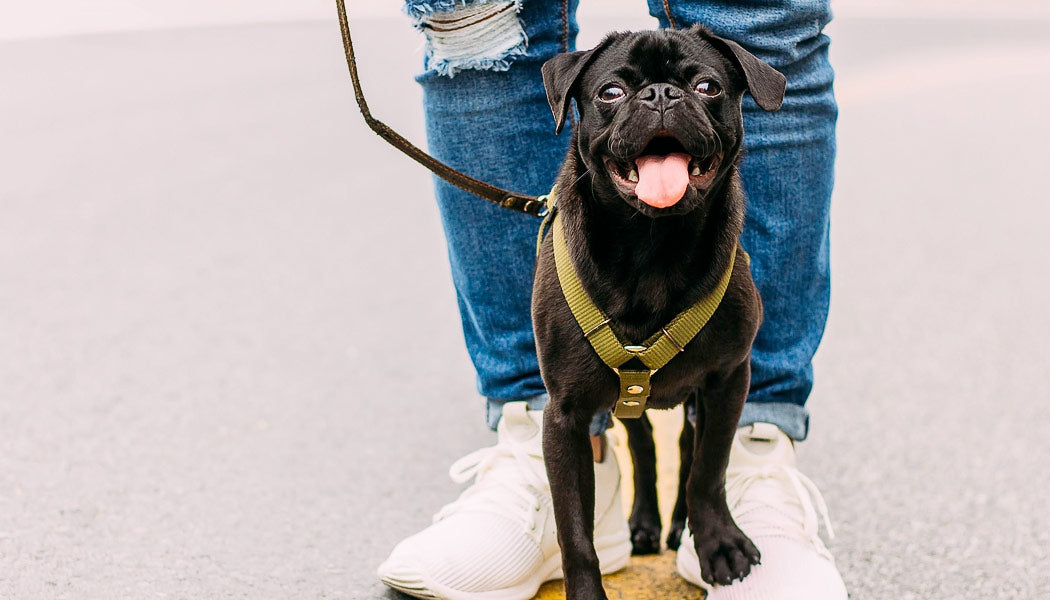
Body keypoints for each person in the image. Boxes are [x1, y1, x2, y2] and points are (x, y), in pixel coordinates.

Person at [377, 1, 845, 598]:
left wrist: (705, 501)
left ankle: (739, 472)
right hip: (585, 287)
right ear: (572, 104)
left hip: (712, 299)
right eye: (616, 93)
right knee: (474, 20)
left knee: (760, 13)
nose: (659, 103)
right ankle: (539, 465)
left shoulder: (731, 298)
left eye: (701, 87)